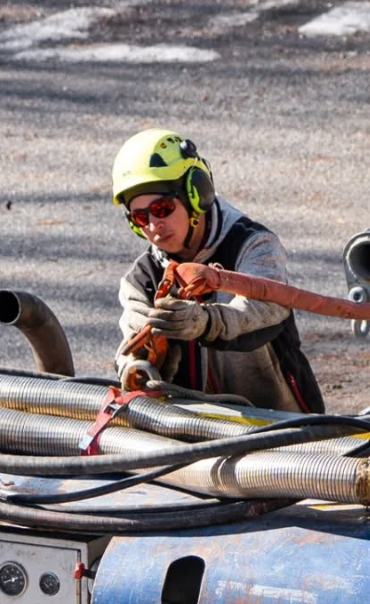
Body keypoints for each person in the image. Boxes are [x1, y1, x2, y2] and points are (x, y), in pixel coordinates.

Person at [110, 128, 324, 413]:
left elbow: (262, 311)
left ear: (196, 193)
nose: (152, 225)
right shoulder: (142, 280)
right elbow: (131, 344)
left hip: (279, 423)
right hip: (190, 430)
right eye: (140, 216)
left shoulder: (253, 245)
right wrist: (135, 367)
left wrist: (205, 323)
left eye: (162, 208)